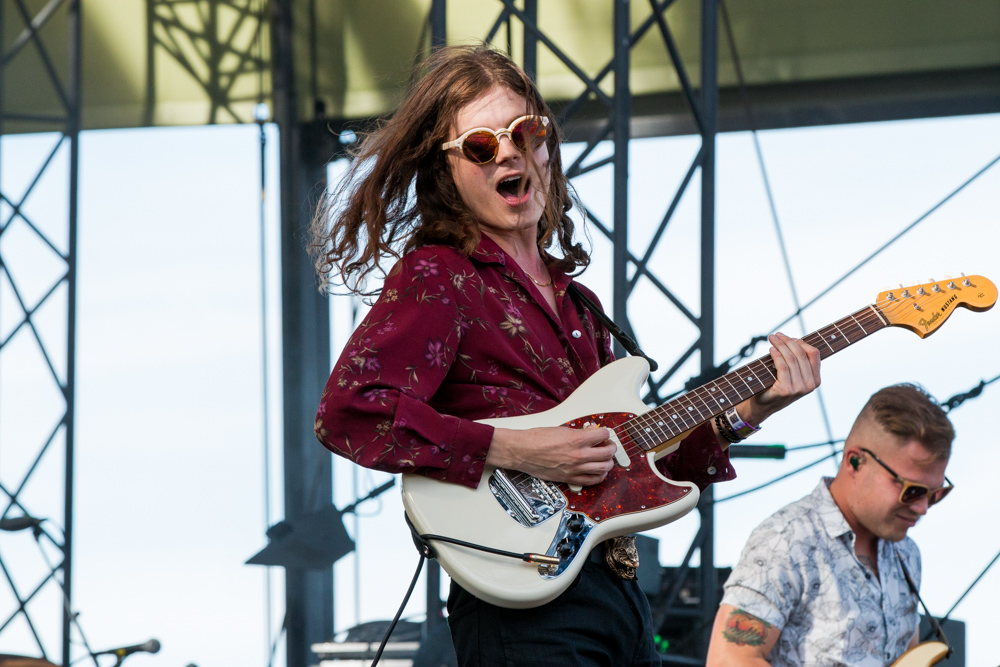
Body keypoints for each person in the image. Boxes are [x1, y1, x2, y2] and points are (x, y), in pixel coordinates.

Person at [311, 44, 822, 666]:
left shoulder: (581, 305)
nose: (509, 152)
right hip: (520, 599)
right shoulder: (441, 276)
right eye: (481, 145)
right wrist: (513, 449)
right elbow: (350, 412)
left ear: (547, 149)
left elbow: (636, 462)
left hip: (617, 594)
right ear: (449, 172)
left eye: (525, 132)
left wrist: (751, 410)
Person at [706, 384, 955, 667]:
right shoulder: (785, 539)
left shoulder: (907, 553)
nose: (922, 508)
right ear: (856, 462)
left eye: (936, 493)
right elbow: (728, 660)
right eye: (912, 490)